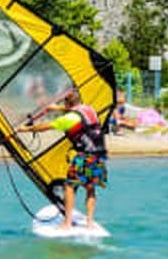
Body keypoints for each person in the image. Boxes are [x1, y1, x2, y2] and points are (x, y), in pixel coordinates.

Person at [18, 87, 108, 229]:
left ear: (67, 104)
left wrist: (26, 129)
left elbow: (46, 126)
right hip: (99, 154)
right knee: (90, 188)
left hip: (84, 155)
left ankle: (67, 223)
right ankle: (90, 222)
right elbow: (73, 110)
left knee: (69, 186)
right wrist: (56, 108)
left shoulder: (69, 119)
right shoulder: (89, 109)